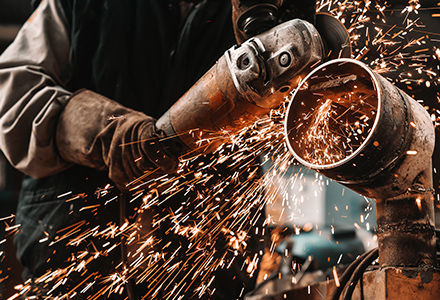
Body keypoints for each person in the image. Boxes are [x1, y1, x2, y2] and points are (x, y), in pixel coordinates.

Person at [0, 0, 317, 298]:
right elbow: (14, 100)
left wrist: (306, 40)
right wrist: (111, 134)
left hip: (205, 260)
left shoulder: (255, 11)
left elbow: (312, 113)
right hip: (76, 256)